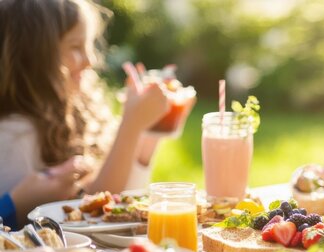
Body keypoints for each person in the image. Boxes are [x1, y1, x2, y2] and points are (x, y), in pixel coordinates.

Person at [0, 0, 194, 227]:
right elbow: (96, 212)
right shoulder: (12, 136)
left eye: (89, 45)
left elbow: (121, 200)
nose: (90, 60)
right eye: (75, 47)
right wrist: (130, 125)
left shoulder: (66, 112)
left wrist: (146, 135)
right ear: (31, 54)